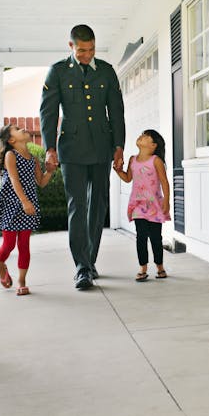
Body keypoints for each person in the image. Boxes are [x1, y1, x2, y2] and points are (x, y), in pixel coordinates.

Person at [40, 24, 126, 290]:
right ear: (71, 47)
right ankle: (81, 268)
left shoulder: (107, 72)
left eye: (91, 50)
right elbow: (49, 112)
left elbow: (116, 112)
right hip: (72, 150)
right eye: (81, 50)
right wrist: (50, 148)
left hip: (101, 148)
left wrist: (119, 146)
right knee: (77, 207)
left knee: (98, 206)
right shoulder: (58, 72)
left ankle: (89, 261)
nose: (87, 55)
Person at [0, 125, 53, 296]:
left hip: (27, 205)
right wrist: (24, 201)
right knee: (9, 244)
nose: (22, 128)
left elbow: (41, 182)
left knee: (24, 245)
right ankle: (1, 265)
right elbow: (14, 181)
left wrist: (50, 171)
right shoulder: (11, 155)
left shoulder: (33, 159)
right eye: (16, 129)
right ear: (11, 140)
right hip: (12, 204)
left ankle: (22, 280)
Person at [113, 130, 171, 281]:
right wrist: (118, 171)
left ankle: (160, 267)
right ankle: (143, 268)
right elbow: (127, 178)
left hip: (154, 206)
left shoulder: (156, 160)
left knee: (156, 238)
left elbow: (164, 182)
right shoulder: (133, 160)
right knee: (141, 237)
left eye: (146, 136)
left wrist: (166, 201)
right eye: (141, 134)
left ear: (153, 145)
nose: (141, 136)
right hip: (138, 205)